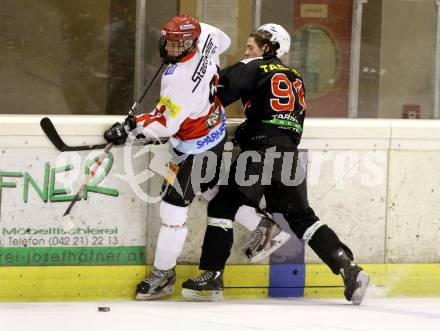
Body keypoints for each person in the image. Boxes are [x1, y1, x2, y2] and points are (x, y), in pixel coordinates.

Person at [181, 23, 370, 305]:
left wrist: (197, 71)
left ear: (267, 48)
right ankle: (349, 268)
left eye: (251, 47)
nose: (246, 52)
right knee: (303, 218)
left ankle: (212, 275)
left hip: (260, 149)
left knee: (222, 206)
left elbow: (218, 90)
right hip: (289, 154)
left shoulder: (257, 66)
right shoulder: (294, 76)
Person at [103, 15, 232, 300]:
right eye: (170, 43)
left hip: (196, 148)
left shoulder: (179, 81)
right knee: (213, 190)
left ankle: (164, 274)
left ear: (191, 41)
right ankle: (261, 223)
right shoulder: (208, 35)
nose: (172, 49)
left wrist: (132, 125)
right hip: (215, 128)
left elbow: (165, 125)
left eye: (179, 45)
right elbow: (226, 41)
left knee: (172, 208)